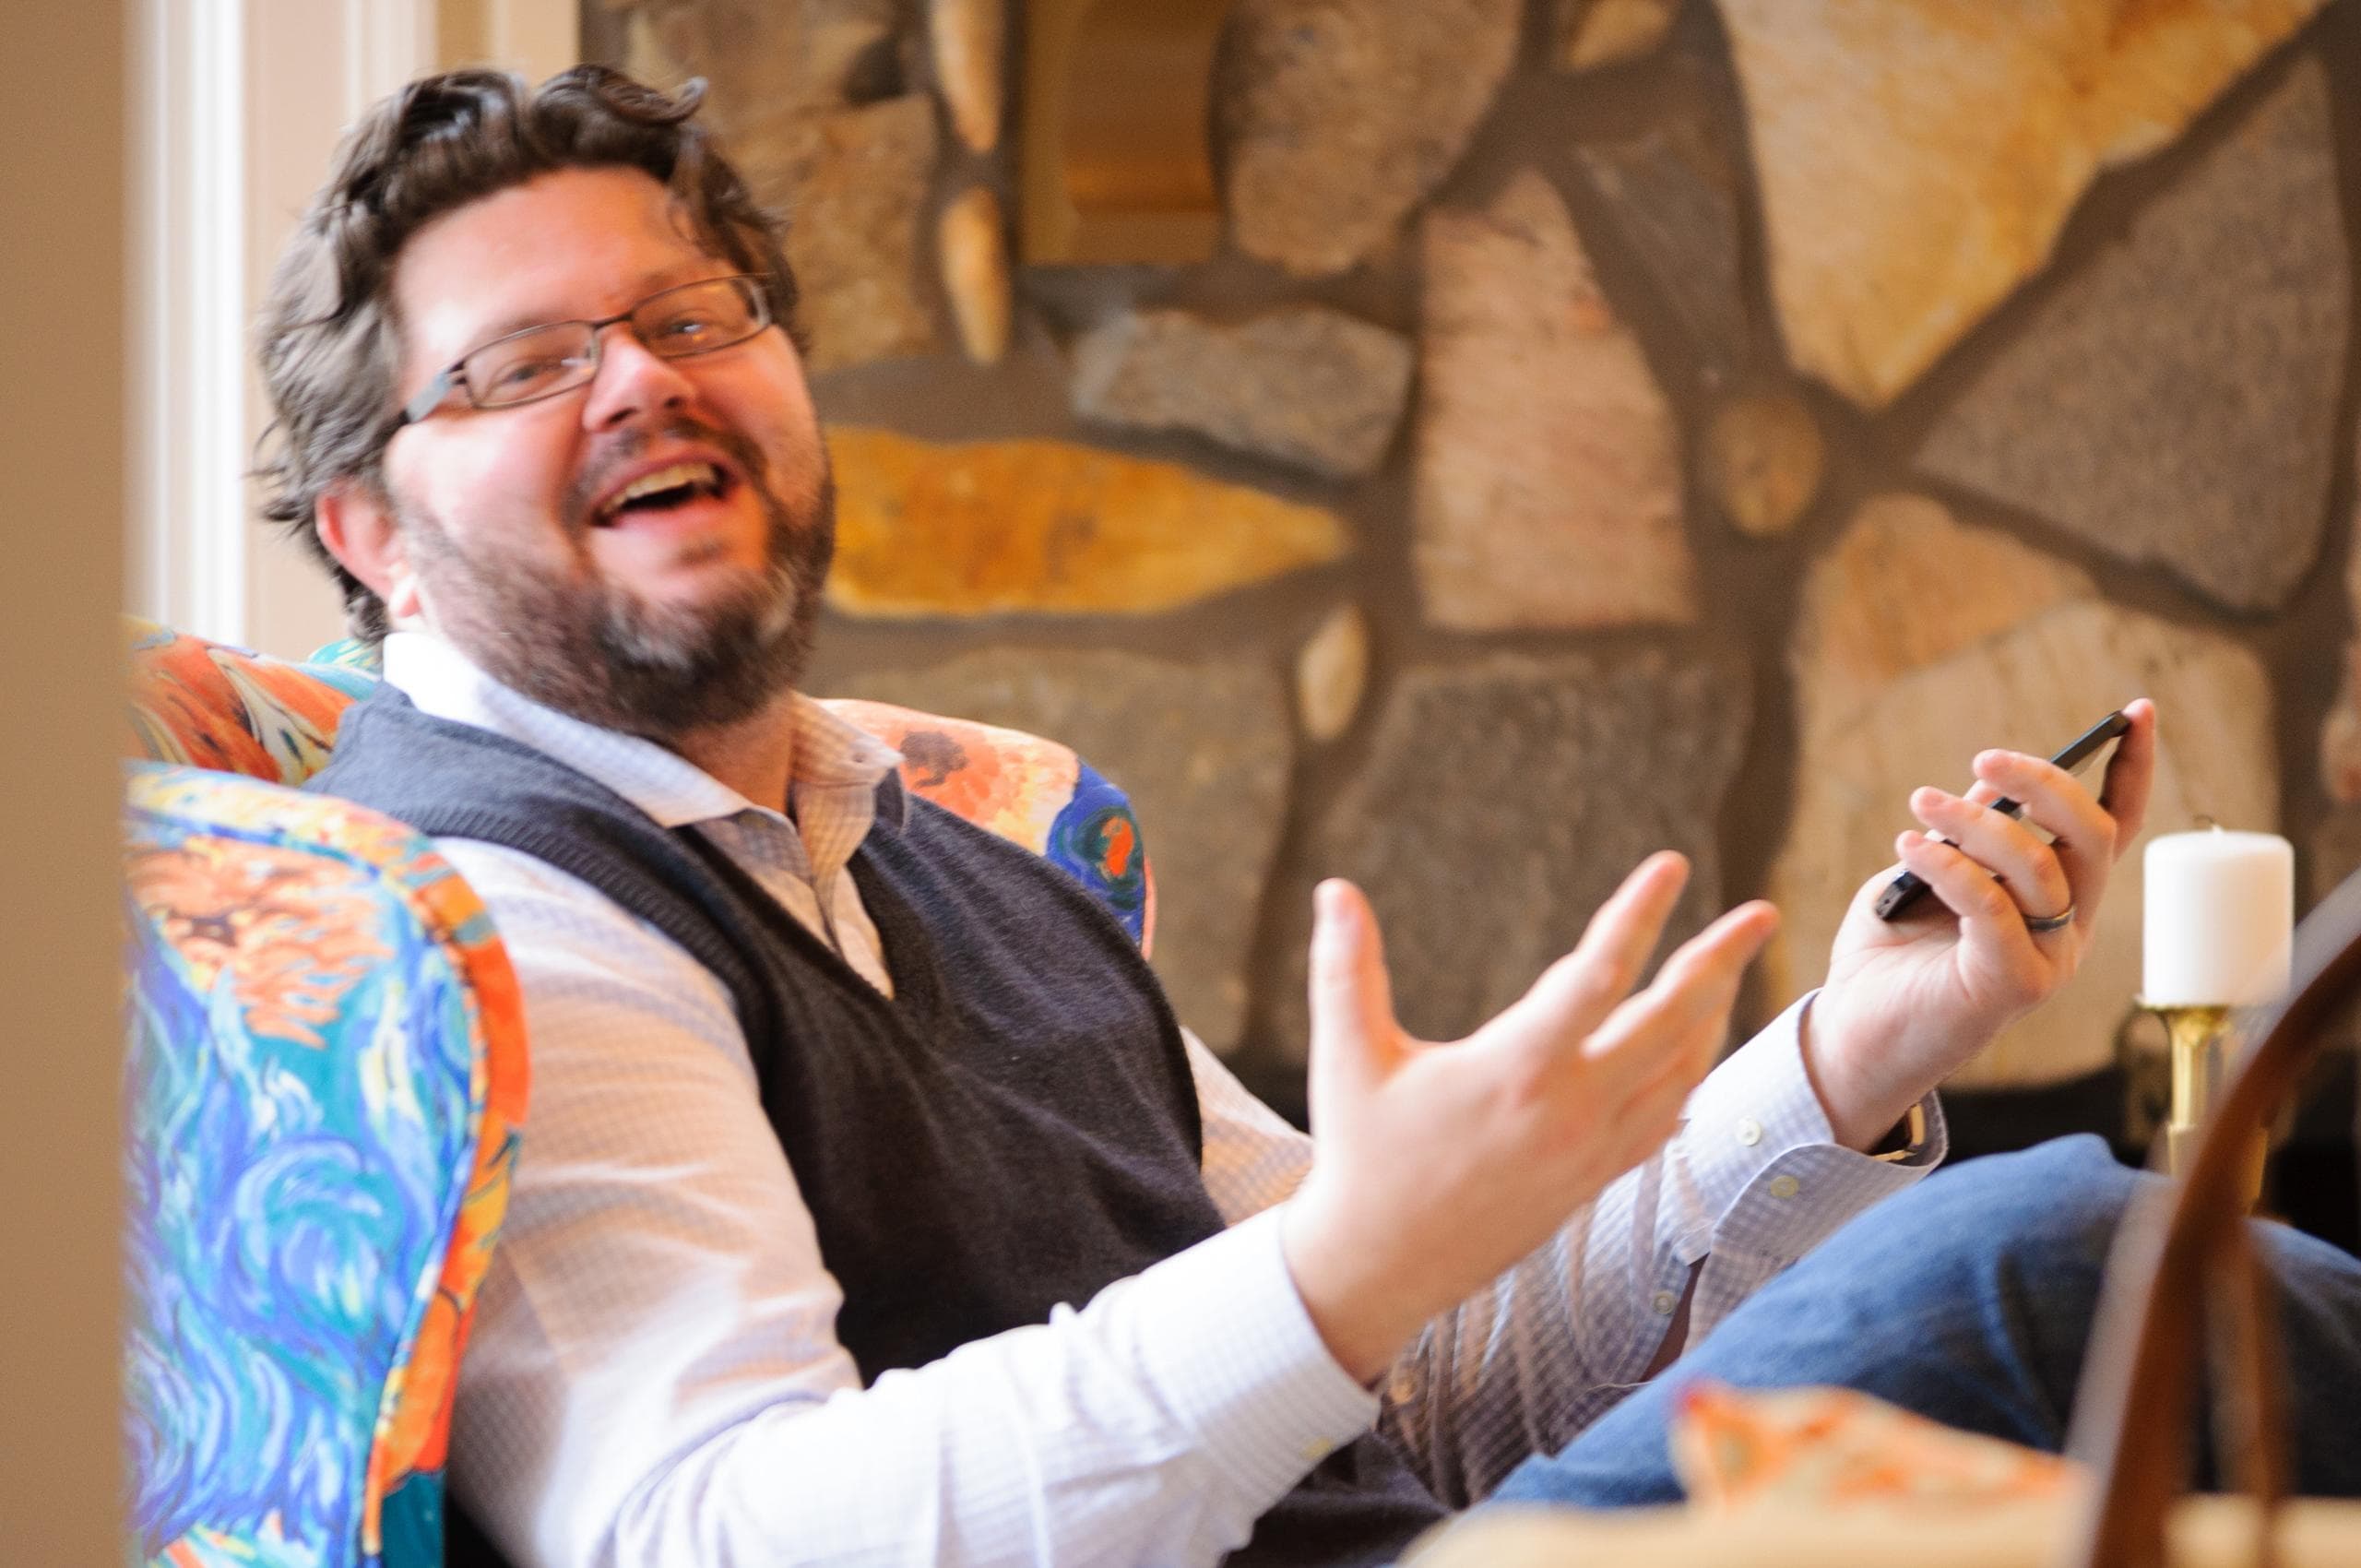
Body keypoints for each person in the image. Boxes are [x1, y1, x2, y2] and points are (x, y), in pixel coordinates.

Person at [256, 65, 2350, 1568]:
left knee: (2027, 1239)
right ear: (374, 536)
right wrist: (1346, 1263)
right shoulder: (489, 925)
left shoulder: (950, 849)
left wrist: (1841, 1054)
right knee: (2031, 1251)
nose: (639, 381)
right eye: (522, 364)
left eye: (696, 317)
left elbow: (1412, 1384)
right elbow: (713, 1531)